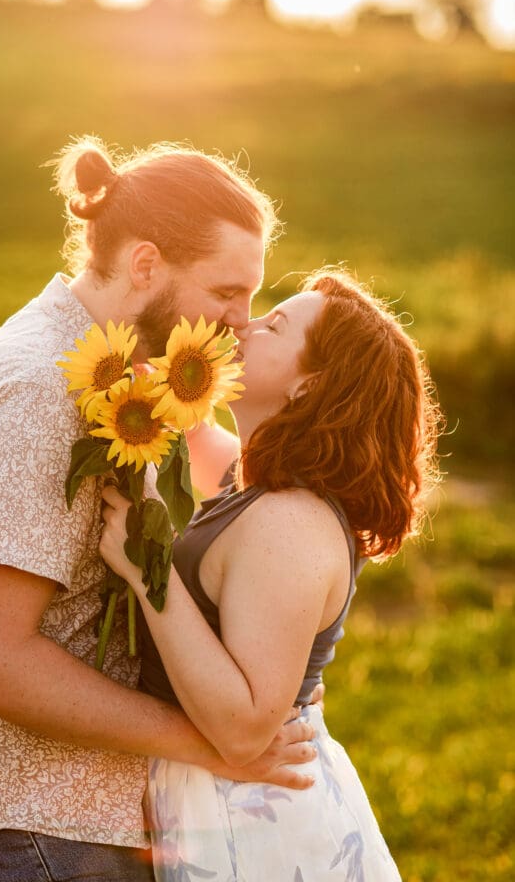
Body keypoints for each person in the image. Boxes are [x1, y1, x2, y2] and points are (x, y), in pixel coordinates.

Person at [0, 137, 320, 882]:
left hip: (73, 822)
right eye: (225, 291)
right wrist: (206, 742)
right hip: (31, 826)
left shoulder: (115, 378)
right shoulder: (35, 390)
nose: (239, 321)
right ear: (145, 264)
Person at [100, 268, 442, 881]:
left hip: (259, 824)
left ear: (308, 388)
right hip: (222, 801)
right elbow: (184, 426)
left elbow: (244, 728)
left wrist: (148, 568)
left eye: (273, 324)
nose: (245, 324)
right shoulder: (255, 480)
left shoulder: (291, 522)